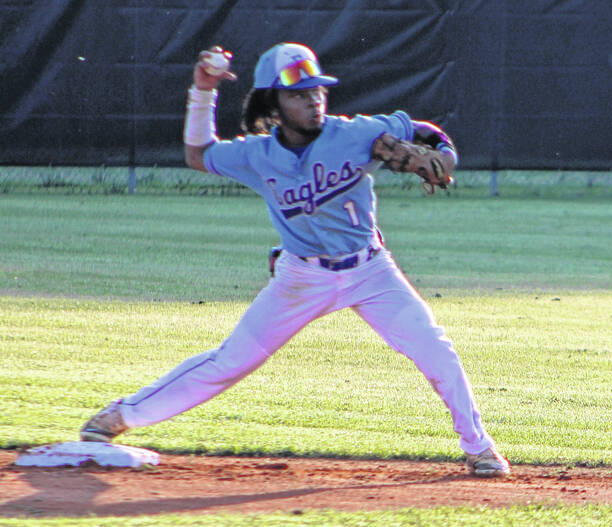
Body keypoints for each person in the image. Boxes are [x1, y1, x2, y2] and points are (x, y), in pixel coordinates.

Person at [80, 42, 510, 477]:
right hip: (300, 277)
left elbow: (424, 131)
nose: (313, 100)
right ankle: (120, 415)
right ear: (274, 102)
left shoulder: (357, 133)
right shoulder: (256, 154)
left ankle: (479, 448)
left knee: (436, 350)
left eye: (317, 91)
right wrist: (203, 90)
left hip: (371, 270)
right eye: (299, 94)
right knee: (230, 362)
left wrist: (445, 155)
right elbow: (198, 154)